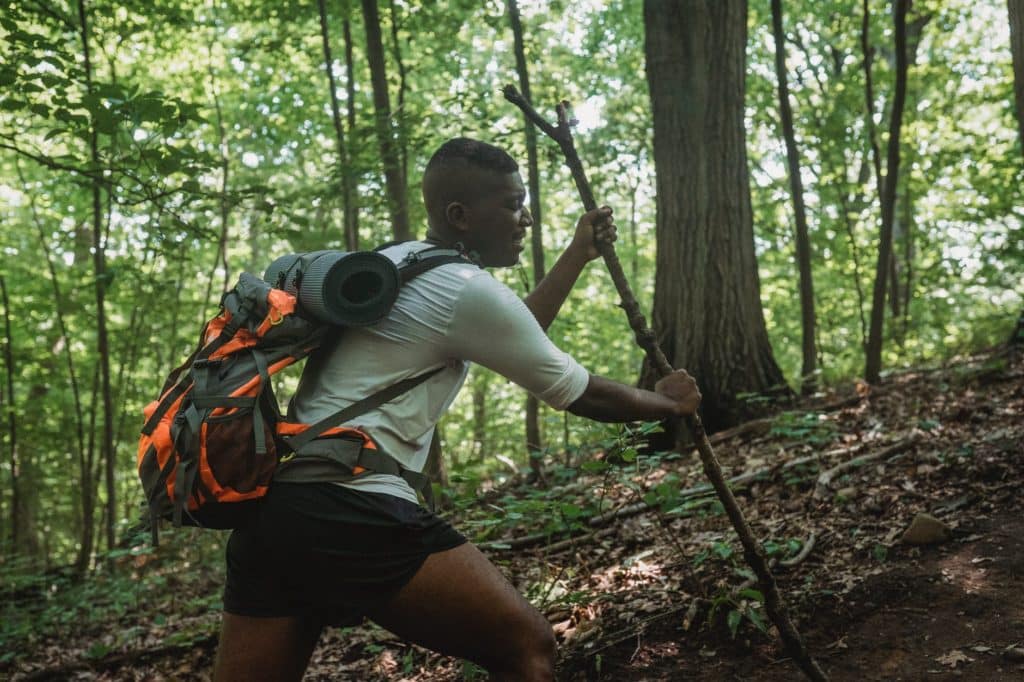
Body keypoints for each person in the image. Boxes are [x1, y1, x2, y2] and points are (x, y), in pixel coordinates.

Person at [213, 137, 701, 681]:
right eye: (513, 204)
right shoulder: (463, 287)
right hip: (352, 506)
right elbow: (578, 391)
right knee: (528, 649)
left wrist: (576, 254)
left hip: (278, 512)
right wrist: (669, 403)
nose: (527, 218)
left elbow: (518, 329)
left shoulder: (399, 264)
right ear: (460, 216)